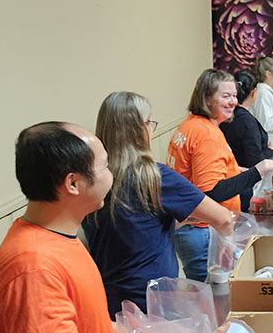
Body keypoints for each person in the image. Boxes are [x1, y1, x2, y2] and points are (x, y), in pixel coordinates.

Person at [83, 92, 234, 319]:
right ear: (141, 128)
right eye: (150, 123)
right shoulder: (153, 176)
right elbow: (224, 218)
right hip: (153, 301)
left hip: (109, 298)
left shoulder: (94, 178)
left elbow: (131, 229)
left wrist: (173, 222)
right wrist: (225, 249)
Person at [0, 122, 116, 333]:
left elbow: (89, 323)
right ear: (73, 183)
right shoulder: (33, 267)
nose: (110, 173)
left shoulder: (58, 239)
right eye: (104, 166)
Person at [167, 69, 273, 283]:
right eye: (225, 96)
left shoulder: (194, 124)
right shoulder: (206, 135)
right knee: (206, 291)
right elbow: (212, 192)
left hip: (191, 226)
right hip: (199, 229)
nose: (233, 102)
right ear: (207, 99)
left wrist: (237, 171)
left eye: (235, 95)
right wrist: (258, 171)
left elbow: (203, 170)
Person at [219, 70, 273, 212]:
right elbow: (254, 160)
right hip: (242, 186)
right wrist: (270, 150)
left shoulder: (224, 117)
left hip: (226, 180)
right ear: (254, 92)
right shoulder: (247, 122)